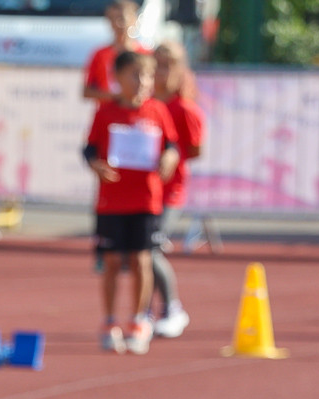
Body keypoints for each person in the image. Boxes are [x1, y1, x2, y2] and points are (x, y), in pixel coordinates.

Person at [83, 50, 178, 354]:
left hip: (146, 199)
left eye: (148, 76)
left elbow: (173, 146)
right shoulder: (105, 111)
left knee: (142, 260)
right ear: (118, 78)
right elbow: (89, 150)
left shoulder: (158, 111)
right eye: (135, 75)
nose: (142, 82)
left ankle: (139, 320)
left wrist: (169, 158)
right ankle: (109, 321)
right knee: (111, 262)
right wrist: (96, 165)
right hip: (111, 201)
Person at [149, 39, 204, 339]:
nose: (161, 71)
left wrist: (171, 156)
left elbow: (195, 150)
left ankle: (172, 308)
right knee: (139, 251)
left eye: (169, 65)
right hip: (143, 189)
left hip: (170, 191)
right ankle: (144, 310)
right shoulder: (145, 103)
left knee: (151, 245)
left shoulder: (184, 108)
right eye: (157, 64)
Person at [82, 0, 151, 104]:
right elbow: (87, 91)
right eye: (112, 19)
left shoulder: (146, 53)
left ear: (134, 20)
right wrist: (117, 97)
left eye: (122, 18)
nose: (117, 23)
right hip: (109, 114)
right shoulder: (100, 54)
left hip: (140, 114)